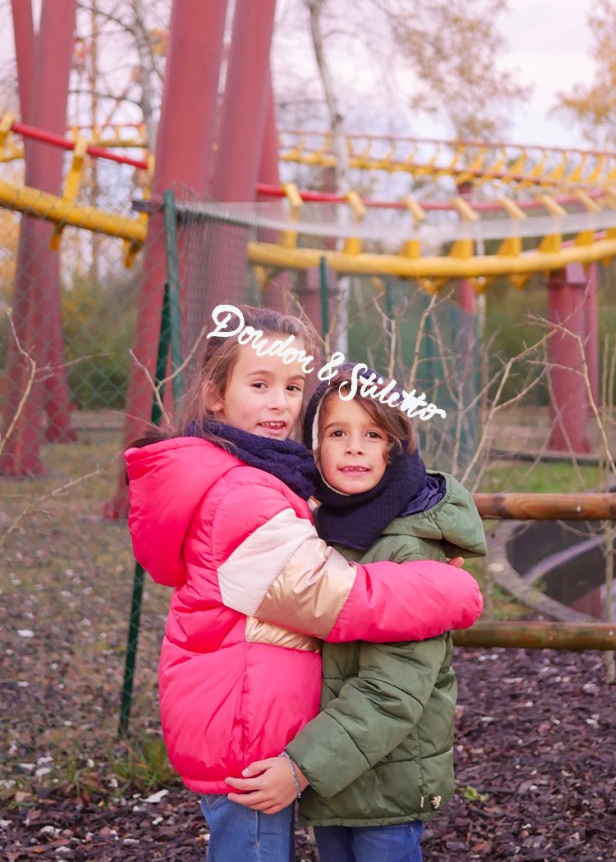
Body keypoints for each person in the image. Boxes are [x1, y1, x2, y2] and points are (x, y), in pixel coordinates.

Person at [124, 306, 483, 862]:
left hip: (248, 719)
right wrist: (448, 590)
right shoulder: (243, 492)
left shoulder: (261, 477)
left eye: (293, 386)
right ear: (216, 393)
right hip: (244, 727)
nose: (279, 402)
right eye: (260, 383)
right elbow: (334, 599)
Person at [228, 366, 487, 862]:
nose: (354, 447)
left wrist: (301, 767)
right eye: (337, 433)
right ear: (315, 447)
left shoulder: (408, 548)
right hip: (341, 779)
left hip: (385, 783)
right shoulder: (325, 530)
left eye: (372, 434)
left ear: (396, 447)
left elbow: (392, 692)